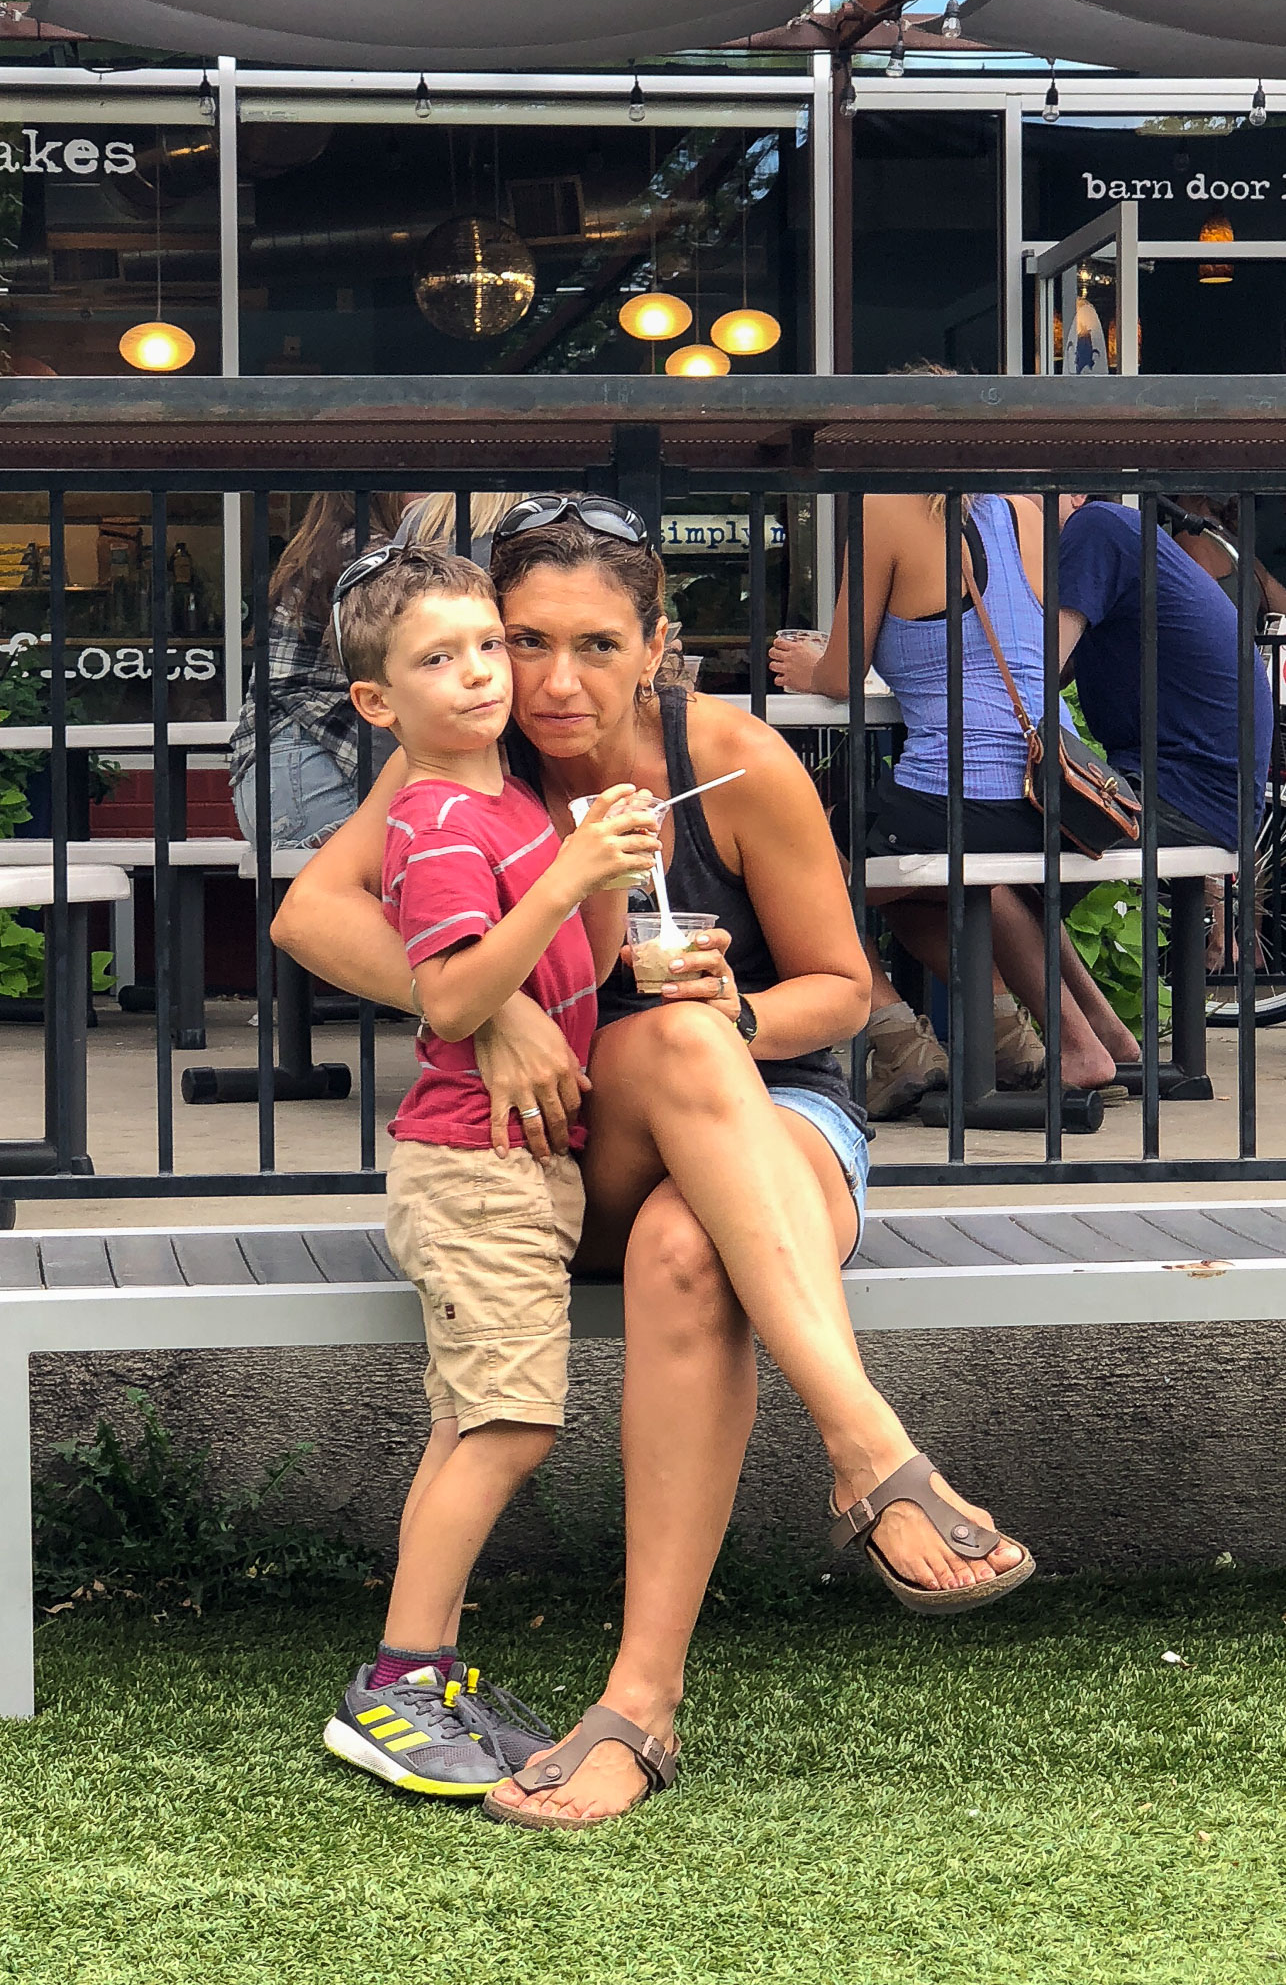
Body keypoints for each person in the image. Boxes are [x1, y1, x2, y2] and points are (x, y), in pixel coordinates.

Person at [274, 492, 1034, 1833]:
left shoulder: (729, 758)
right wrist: (494, 1011)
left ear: (656, 644)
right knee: (671, 1053)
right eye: (524, 640)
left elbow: (841, 992)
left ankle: (639, 1702)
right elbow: (309, 916)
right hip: (578, 1143)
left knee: (691, 1227)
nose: (553, 682)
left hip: (776, 1116)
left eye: (597, 646)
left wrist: (734, 1010)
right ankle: (868, 1450)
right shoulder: (466, 745)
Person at [318, 536, 662, 1800]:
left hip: (516, 1163)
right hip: (473, 1167)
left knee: (471, 1421)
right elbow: (457, 996)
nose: (477, 674)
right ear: (377, 702)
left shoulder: (513, 803)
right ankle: (395, 1686)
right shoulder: (435, 820)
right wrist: (566, 874)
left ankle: (427, 1669)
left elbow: (583, 961)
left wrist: (604, 868)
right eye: (436, 659)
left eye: (483, 647)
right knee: (511, 1425)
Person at [771, 489, 1141, 1115]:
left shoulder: (885, 510)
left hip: (963, 792)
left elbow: (840, 676)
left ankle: (898, 1037)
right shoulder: (1027, 512)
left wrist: (809, 667)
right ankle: (1025, 1037)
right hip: (1056, 794)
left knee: (791, 861)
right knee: (917, 891)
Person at [228, 488, 522, 848]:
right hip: (311, 769)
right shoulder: (381, 558)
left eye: (492, 644)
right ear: (383, 493)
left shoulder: (328, 548)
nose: (434, 488)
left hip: (270, 771)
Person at [1058, 496, 1273, 855]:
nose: (1003, 503)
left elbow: (1036, 672)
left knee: (997, 832)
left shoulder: (1093, 528)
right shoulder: (1122, 536)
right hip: (1212, 797)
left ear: (1074, 495)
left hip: (1181, 793)